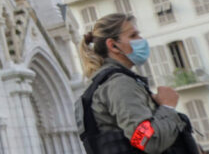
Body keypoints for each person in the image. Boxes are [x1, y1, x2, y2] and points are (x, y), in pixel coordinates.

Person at [76, 12, 201, 153]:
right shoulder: (119, 84)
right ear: (113, 46)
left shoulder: (103, 83)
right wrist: (167, 106)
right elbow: (146, 141)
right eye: (133, 36)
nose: (141, 40)